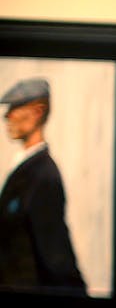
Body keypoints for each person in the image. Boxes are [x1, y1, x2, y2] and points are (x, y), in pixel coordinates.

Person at [0, 77, 86, 292]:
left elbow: (55, 253)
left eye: (16, 107)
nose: (7, 115)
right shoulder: (25, 169)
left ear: (38, 112)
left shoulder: (44, 176)